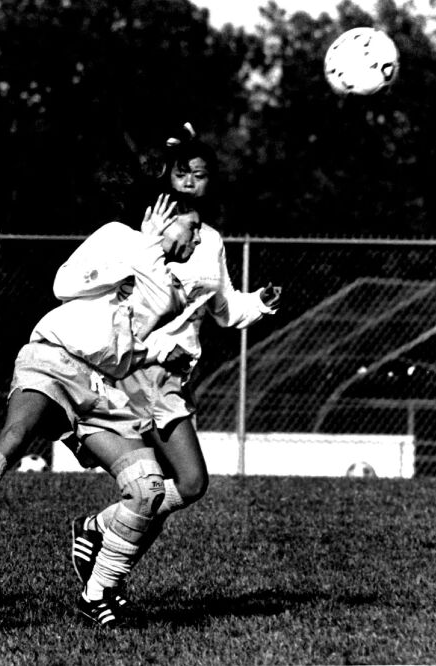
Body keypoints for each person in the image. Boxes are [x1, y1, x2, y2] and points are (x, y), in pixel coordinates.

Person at [0, 192, 204, 626]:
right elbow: (64, 285)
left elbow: (131, 339)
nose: (199, 237)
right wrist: (140, 249)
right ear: (164, 218)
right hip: (55, 354)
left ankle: (96, 594)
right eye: (193, 226)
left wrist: (158, 348)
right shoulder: (117, 236)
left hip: (99, 387)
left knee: (148, 489)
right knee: (18, 432)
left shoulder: (168, 286)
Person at [69, 123, 283, 610]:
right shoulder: (145, 231)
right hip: (142, 367)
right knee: (190, 482)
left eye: (201, 174)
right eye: (182, 172)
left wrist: (261, 302)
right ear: (166, 174)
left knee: (155, 495)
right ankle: (100, 566)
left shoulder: (211, 240)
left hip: (179, 375)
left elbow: (225, 310)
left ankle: (101, 556)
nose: (191, 181)